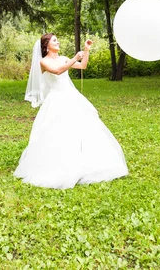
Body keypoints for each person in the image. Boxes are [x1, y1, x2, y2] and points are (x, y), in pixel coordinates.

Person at [14, 33, 128, 189]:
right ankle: (59, 165)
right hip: (56, 101)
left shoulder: (63, 58)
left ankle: (86, 162)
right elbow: (58, 71)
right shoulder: (43, 62)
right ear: (46, 45)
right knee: (58, 132)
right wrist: (74, 58)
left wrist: (86, 51)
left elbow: (82, 66)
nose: (58, 41)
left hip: (72, 97)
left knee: (82, 129)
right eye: (54, 40)